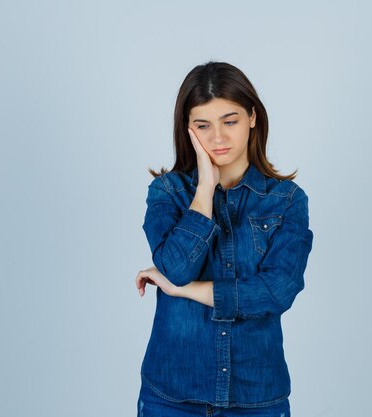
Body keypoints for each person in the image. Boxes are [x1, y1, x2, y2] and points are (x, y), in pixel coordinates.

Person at [134, 61, 313, 416]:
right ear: (187, 130)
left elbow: (278, 291)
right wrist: (205, 188)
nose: (217, 137)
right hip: (171, 397)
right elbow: (176, 268)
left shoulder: (287, 200)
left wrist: (184, 292)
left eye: (229, 121)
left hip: (255, 398)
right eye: (203, 125)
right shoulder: (167, 193)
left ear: (252, 117)